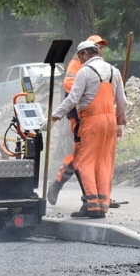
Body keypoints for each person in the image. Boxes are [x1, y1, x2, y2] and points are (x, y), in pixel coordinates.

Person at [51, 40, 127, 218]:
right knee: (104, 162)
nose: (80, 59)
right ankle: (102, 205)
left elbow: (72, 98)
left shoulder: (85, 71)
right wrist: (119, 121)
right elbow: (122, 102)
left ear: (85, 54)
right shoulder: (114, 71)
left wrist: (54, 117)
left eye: (80, 56)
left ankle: (92, 206)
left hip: (92, 121)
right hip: (110, 122)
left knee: (85, 162)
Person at [47, 35, 107, 206]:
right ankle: (86, 196)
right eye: (98, 46)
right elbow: (69, 85)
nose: (101, 50)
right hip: (80, 116)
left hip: (94, 116)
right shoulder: (77, 64)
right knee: (81, 156)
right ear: (88, 50)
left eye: (102, 47)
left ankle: (95, 196)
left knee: (90, 157)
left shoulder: (100, 67)